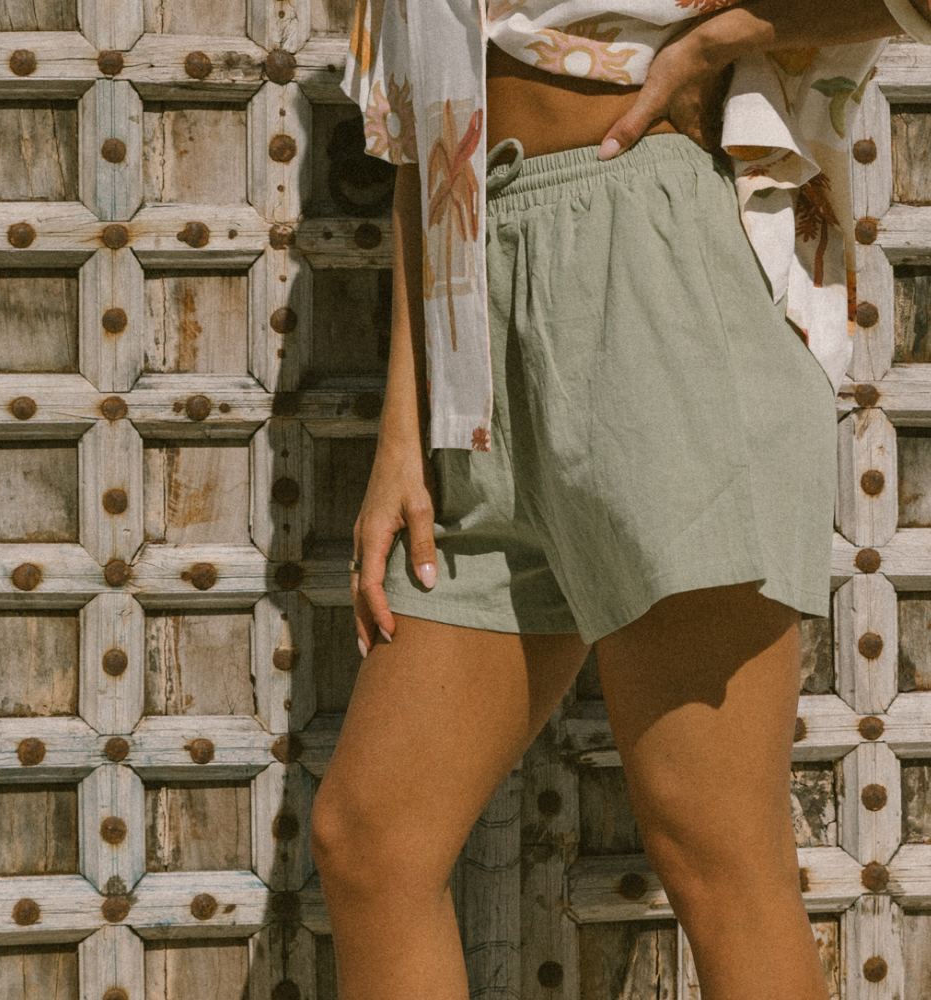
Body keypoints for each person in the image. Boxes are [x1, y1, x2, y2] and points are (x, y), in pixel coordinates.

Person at [310, 2, 931, 998]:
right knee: (370, 841)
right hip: (473, 314)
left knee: (715, 855)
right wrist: (403, 434)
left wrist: (722, 35)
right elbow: (421, 139)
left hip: (649, 258)